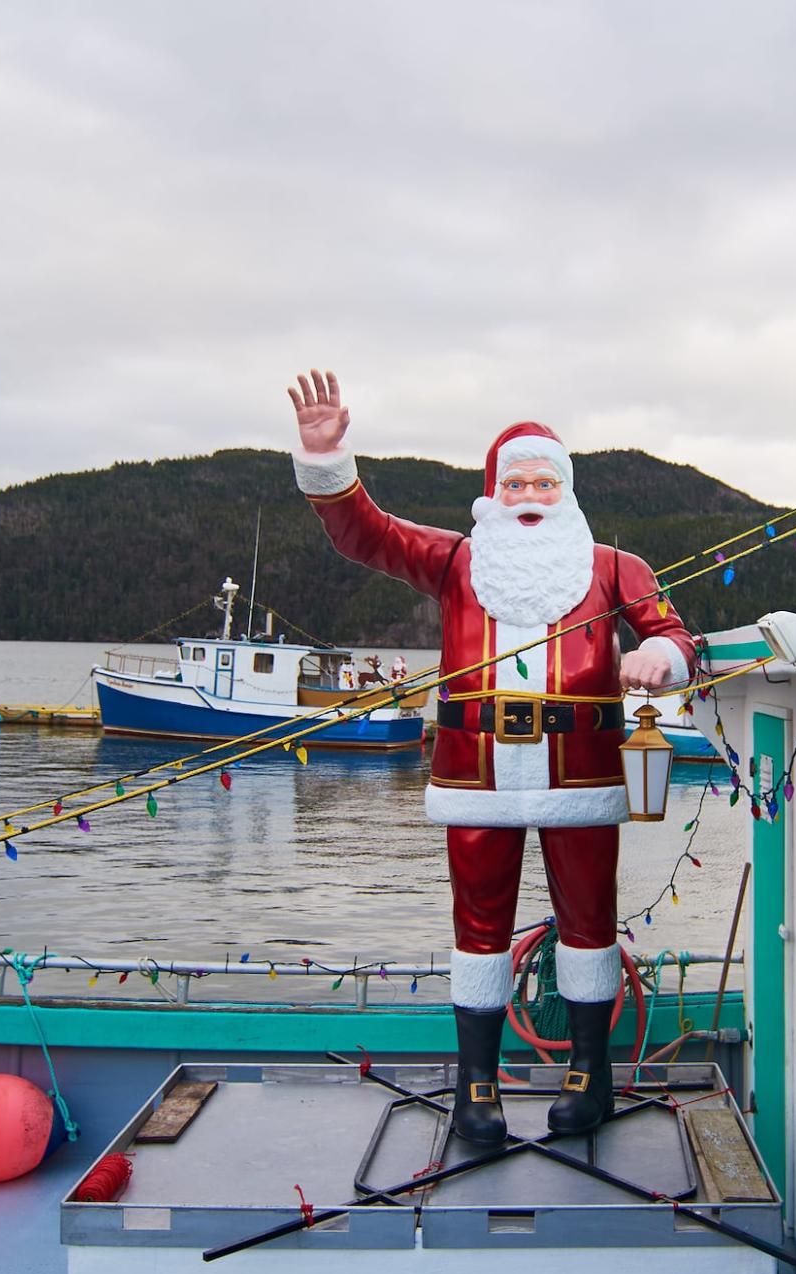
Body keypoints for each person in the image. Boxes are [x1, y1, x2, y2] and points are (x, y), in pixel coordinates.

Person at [288, 369, 696, 1144]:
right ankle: (477, 1084)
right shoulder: (456, 562)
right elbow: (365, 533)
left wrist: (661, 661)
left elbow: (677, 635)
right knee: (477, 925)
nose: (531, 494)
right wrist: (329, 466)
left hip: (582, 770)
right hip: (476, 773)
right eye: (517, 482)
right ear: (492, 492)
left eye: (546, 480)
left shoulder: (614, 566)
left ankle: (590, 1075)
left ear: (568, 491)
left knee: (590, 920)